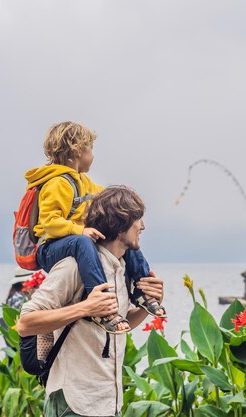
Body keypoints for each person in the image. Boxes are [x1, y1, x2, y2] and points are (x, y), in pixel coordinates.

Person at [17, 186, 164, 417]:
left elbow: (120, 325)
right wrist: (85, 307)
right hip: (72, 403)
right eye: (137, 219)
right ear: (120, 223)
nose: (142, 226)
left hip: (108, 403)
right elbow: (25, 323)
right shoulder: (73, 266)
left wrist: (148, 305)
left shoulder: (123, 268)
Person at [24, 121, 165, 333]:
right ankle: (101, 301)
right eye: (90, 149)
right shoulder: (57, 183)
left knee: (127, 242)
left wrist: (125, 209)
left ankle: (142, 291)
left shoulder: (82, 181)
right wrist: (80, 230)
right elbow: (50, 223)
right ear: (78, 150)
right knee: (83, 242)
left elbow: (105, 198)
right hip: (51, 246)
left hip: (75, 242)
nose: (92, 155)